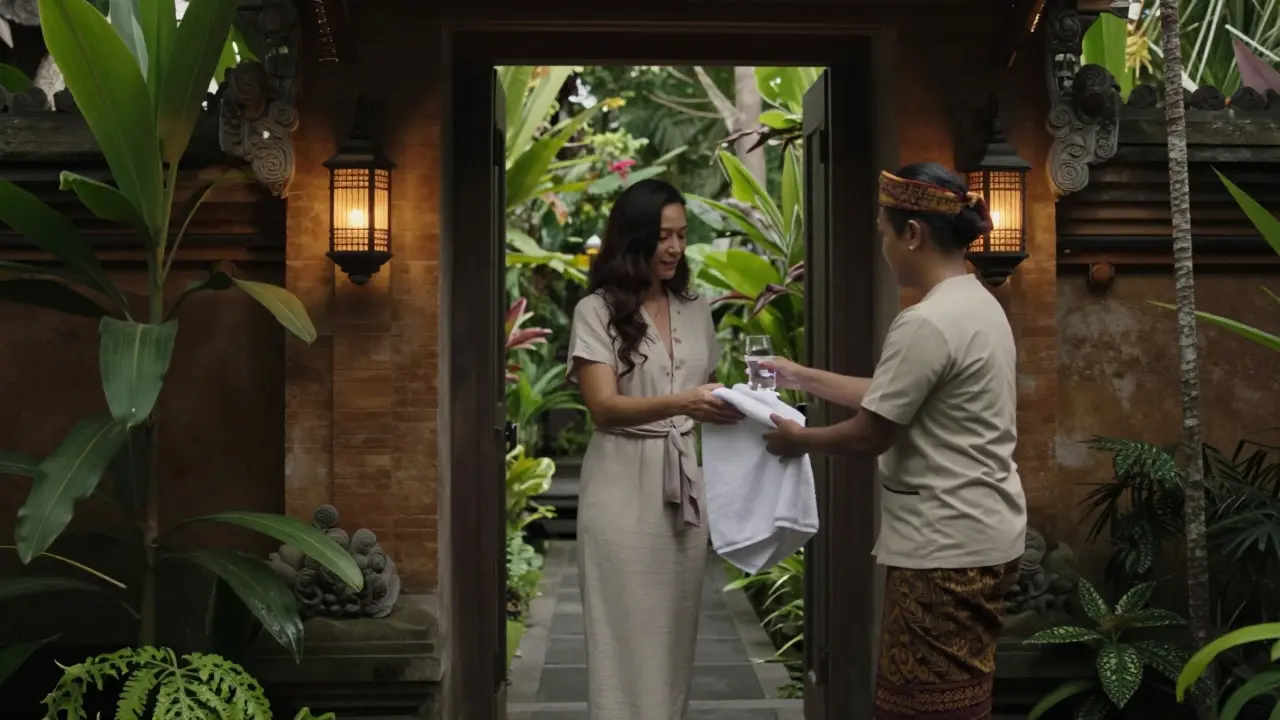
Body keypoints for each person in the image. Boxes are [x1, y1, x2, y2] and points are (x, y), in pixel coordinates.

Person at [761, 163, 1028, 720]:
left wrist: (798, 440)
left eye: (884, 232)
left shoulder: (927, 322)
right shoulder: (979, 305)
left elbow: (872, 432)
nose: (883, 247)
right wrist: (799, 376)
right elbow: (895, 395)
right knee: (962, 700)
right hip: (985, 535)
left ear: (913, 233)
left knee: (920, 709)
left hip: (943, 546)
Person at [565, 177, 742, 719]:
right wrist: (683, 402)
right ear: (635, 237)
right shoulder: (596, 311)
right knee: (622, 640)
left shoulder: (697, 307)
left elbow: (709, 393)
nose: (675, 248)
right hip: (620, 486)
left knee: (673, 640)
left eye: (682, 235)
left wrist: (756, 411)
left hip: (683, 487)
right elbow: (603, 407)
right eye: (664, 235)